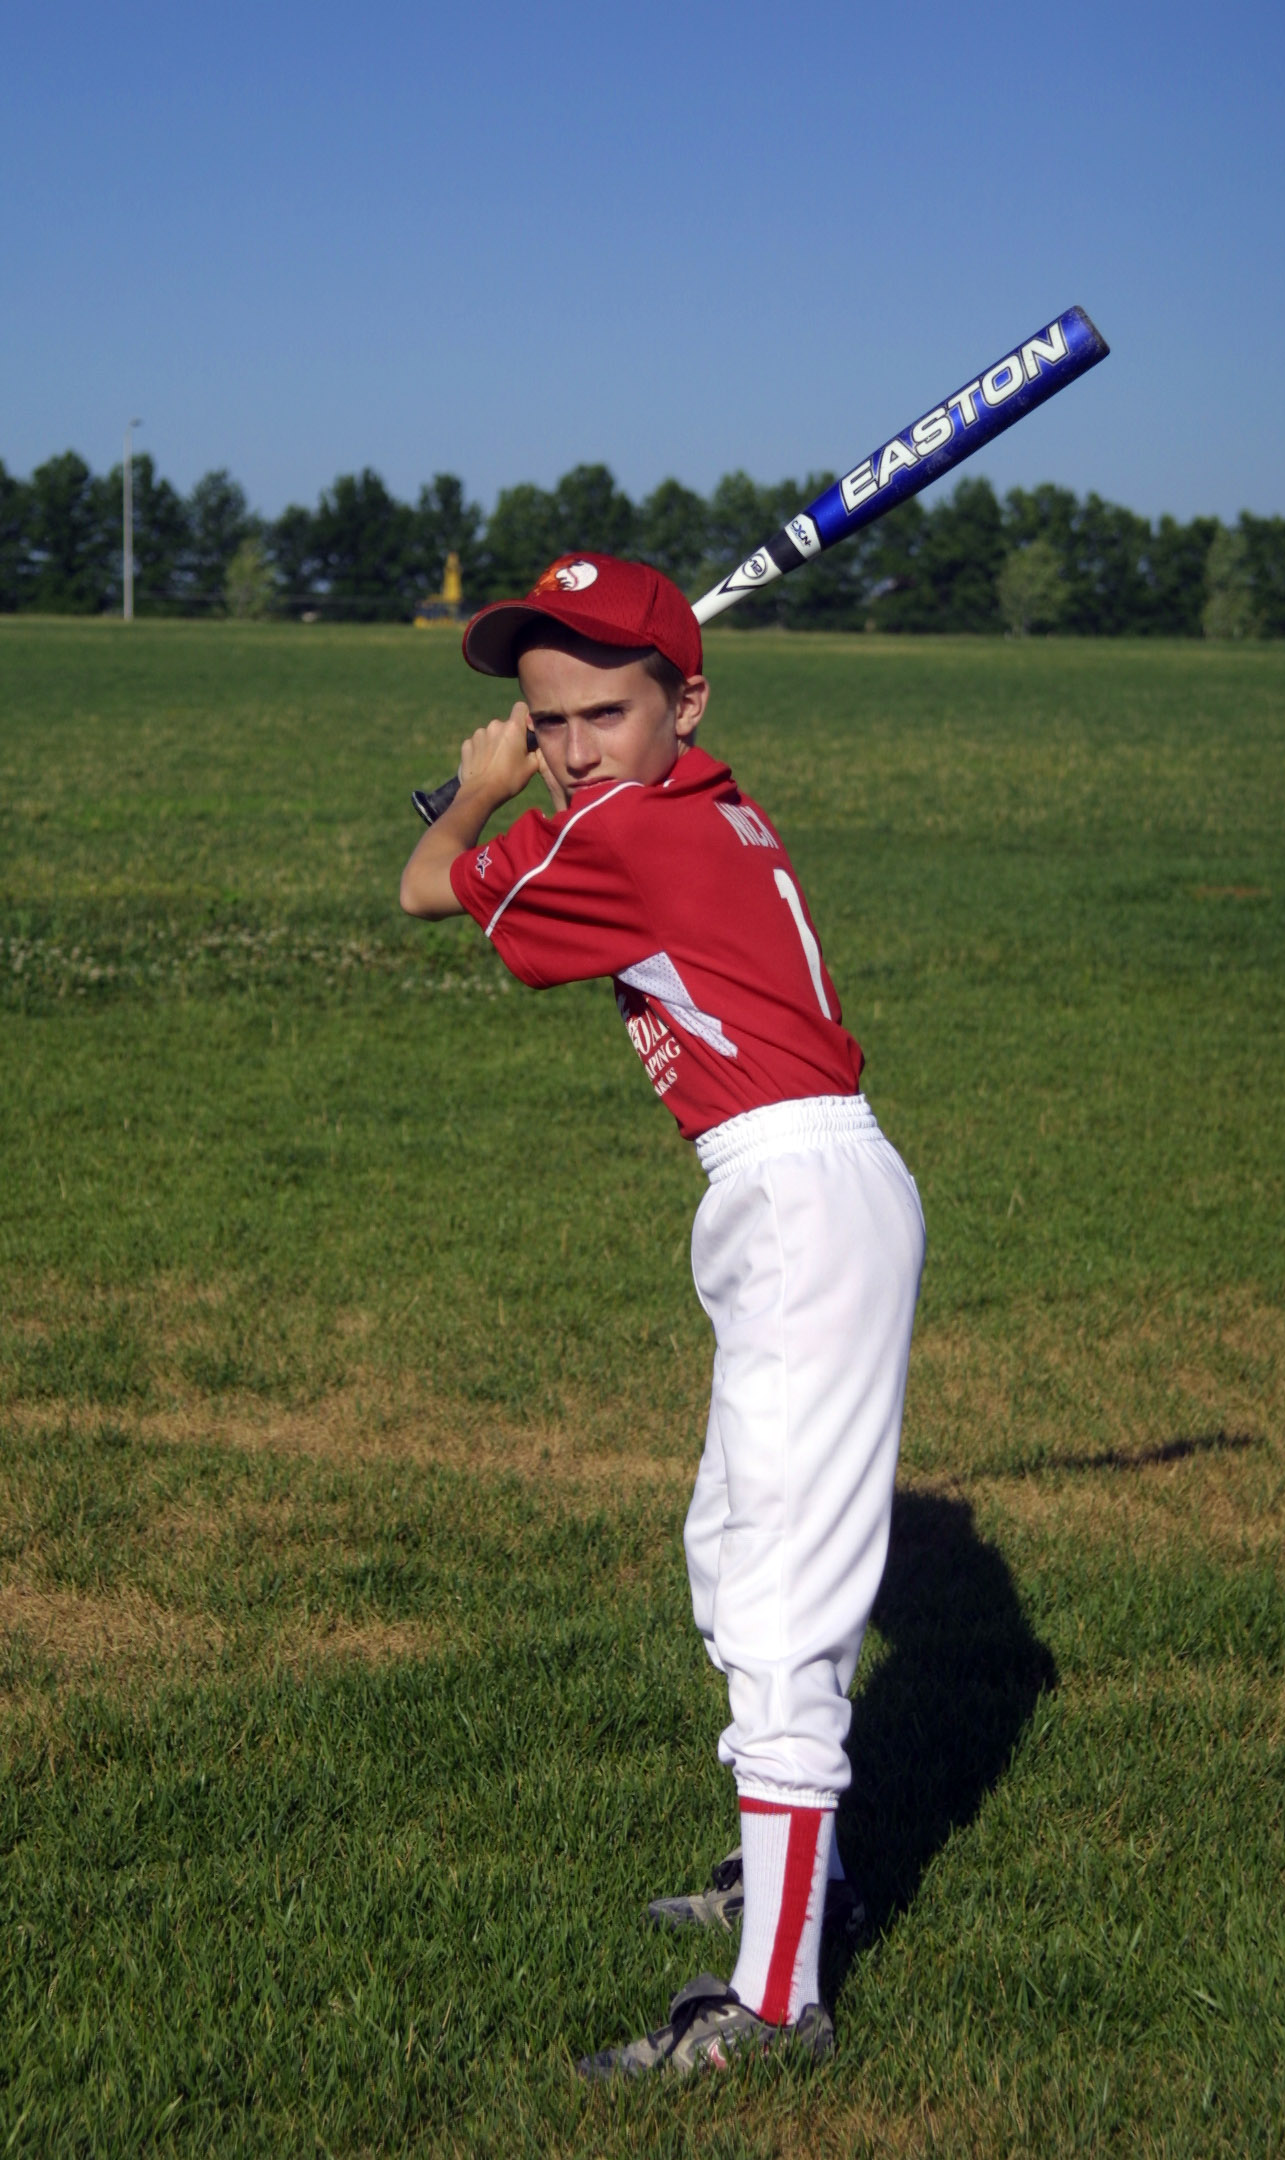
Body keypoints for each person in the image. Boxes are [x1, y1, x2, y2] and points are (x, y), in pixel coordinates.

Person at [399, 553, 926, 2077]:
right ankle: (788, 1882)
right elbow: (581, 830)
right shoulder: (696, 801)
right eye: (547, 719)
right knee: (732, 1546)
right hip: (792, 1190)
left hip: (803, 1198)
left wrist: (476, 793)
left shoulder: (625, 828)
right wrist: (543, 781)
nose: (574, 748)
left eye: (606, 714)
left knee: (777, 1600)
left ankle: (773, 2007)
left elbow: (426, 887)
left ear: (686, 703)